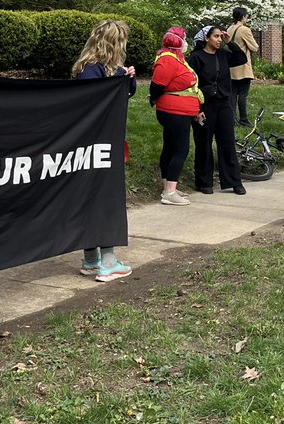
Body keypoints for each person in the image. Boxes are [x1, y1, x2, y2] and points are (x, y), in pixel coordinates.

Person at [72, 20, 137, 281]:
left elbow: (125, 94)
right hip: (97, 143)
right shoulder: (90, 69)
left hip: (103, 141)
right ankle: (107, 261)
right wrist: (117, 79)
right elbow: (92, 101)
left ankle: (91, 258)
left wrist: (127, 79)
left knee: (93, 197)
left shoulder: (108, 68)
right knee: (104, 197)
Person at [188, 24, 248, 196]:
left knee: (227, 141)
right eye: (216, 37)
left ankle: (233, 181)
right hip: (205, 104)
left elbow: (241, 59)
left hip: (223, 103)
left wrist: (231, 43)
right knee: (203, 143)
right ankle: (204, 182)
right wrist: (196, 108)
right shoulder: (196, 57)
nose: (219, 40)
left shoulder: (223, 55)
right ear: (207, 38)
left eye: (220, 37)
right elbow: (192, 83)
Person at [149, 27, 202, 206]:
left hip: (178, 111)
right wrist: (154, 98)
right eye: (185, 38)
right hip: (174, 112)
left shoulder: (175, 58)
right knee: (180, 149)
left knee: (171, 148)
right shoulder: (168, 60)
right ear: (178, 41)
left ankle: (168, 187)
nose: (186, 41)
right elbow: (157, 84)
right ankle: (170, 193)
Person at [226, 7, 258, 126]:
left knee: (233, 93)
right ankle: (243, 119)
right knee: (243, 94)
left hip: (231, 67)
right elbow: (254, 47)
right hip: (243, 67)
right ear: (243, 17)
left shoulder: (229, 29)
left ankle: (232, 119)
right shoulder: (244, 30)